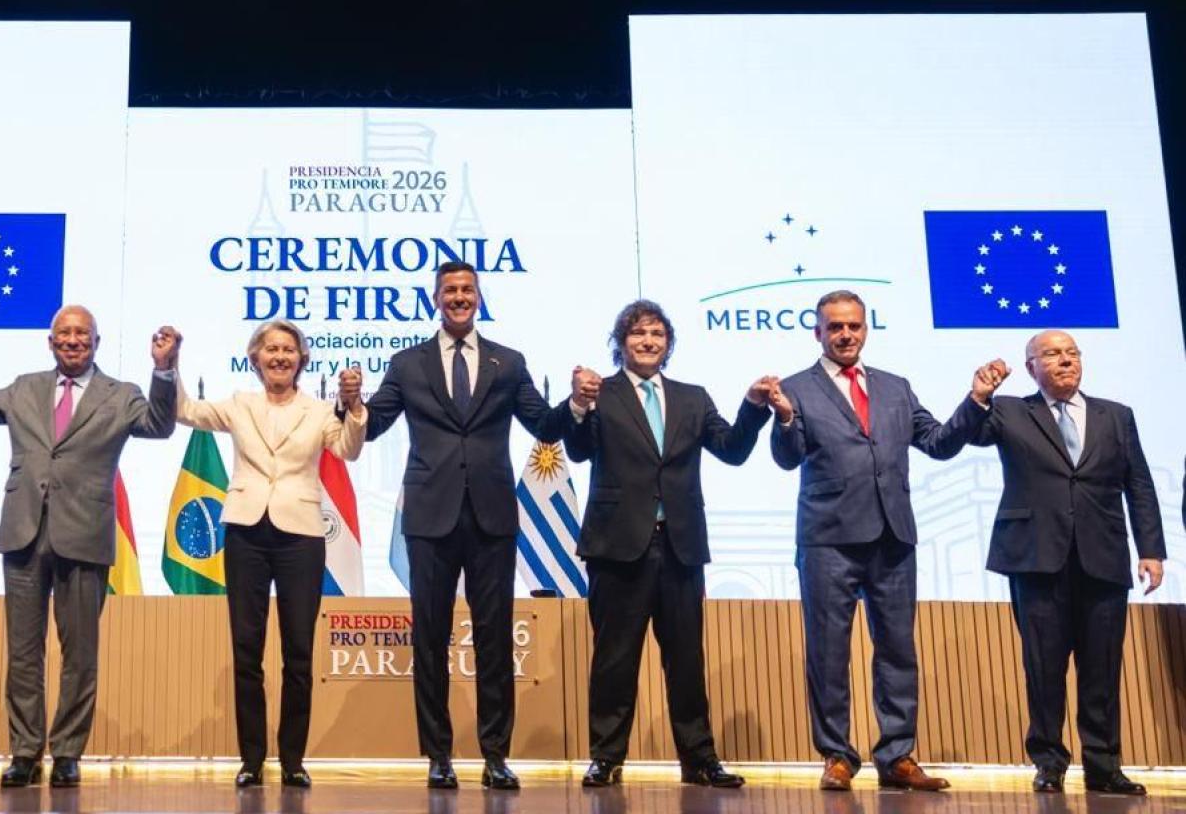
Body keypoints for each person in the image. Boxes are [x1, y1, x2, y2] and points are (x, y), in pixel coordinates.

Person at [0, 306, 177, 788]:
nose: (72, 340)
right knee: (23, 653)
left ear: (96, 342)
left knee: (79, 654)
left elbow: (160, 425)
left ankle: (66, 753)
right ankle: (24, 752)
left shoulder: (120, 394)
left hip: (84, 534)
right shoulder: (25, 386)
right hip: (23, 531)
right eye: (63, 333)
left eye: (82, 333)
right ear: (50, 341)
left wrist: (164, 370)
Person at [770, 289, 1004, 792]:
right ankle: (836, 755)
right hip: (828, 540)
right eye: (835, 327)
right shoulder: (795, 388)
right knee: (828, 652)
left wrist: (977, 399)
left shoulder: (896, 387)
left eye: (853, 326)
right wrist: (786, 417)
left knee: (897, 649)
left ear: (865, 329)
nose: (845, 334)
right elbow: (788, 458)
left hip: (893, 537)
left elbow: (939, 444)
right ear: (818, 332)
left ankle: (897, 755)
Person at [555, 300, 780, 789]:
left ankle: (699, 760)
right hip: (617, 549)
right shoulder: (602, 393)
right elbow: (575, 448)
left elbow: (734, 450)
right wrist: (578, 403)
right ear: (622, 342)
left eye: (657, 333)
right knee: (615, 660)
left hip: (679, 548)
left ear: (668, 343)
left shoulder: (693, 398)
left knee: (685, 660)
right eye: (638, 333)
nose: (648, 341)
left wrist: (753, 407)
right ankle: (607, 757)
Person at [364, 260, 554, 791]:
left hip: (492, 516)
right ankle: (438, 756)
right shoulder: (407, 363)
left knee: (495, 640)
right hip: (429, 518)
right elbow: (375, 423)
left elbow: (542, 423)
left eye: (467, 289)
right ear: (435, 298)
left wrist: (581, 406)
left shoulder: (508, 362)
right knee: (430, 639)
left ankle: (496, 756)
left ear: (479, 298)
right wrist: (349, 402)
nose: (459, 297)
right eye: (450, 289)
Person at [164, 321, 366, 789]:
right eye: (271, 349)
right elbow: (184, 411)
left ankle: (293, 759)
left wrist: (354, 406)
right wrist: (169, 365)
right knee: (246, 651)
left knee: (298, 653)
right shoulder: (239, 405)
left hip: (301, 537)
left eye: (289, 350)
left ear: (301, 359)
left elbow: (349, 450)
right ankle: (251, 760)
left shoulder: (320, 411)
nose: (280, 356)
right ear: (255, 358)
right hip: (246, 534)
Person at [968, 330, 1164, 795]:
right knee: (1043, 667)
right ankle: (1049, 763)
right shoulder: (1011, 411)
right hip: (1036, 558)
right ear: (1031, 367)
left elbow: (1139, 483)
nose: (1065, 361)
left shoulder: (1116, 416)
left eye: (1072, 353)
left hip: (1104, 556)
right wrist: (979, 398)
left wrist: (1151, 550)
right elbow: (968, 435)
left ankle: (1104, 765)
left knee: (1102, 668)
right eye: (1052, 355)